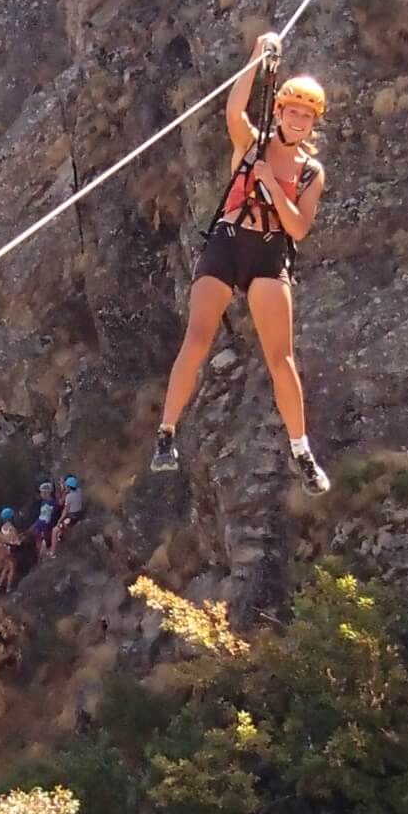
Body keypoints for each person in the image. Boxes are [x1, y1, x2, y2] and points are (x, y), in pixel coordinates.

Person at [150, 30, 331, 495]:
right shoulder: (251, 143)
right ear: (279, 111)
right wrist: (257, 56)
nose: (297, 120)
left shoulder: (312, 172)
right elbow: (233, 110)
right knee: (198, 336)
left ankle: (301, 449)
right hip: (229, 242)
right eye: (292, 111)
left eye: (306, 116)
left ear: (313, 124)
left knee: (280, 357)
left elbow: (299, 228)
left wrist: (272, 185)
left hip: (270, 251)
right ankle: (166, 435)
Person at [51, 475, 84, 554]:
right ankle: (61, 537)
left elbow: (65, 510)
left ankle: (52, 552)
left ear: (68, 486)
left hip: (71, 517)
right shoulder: (79, 491)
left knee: (55, 530)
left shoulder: (69, 496)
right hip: (79, 515)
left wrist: (59, 520)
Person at [29, 481, 61, 555]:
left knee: (37, 532)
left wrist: (35, 526)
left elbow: (46, 519)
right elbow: (41, 516)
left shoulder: (52, 503)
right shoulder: (44, 502)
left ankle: (43, 552)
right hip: (41, 524)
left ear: (47, 493)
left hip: (47, 526)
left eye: (42, 492)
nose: (40, 494)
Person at [0, 507, 23, 592]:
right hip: (9, 550)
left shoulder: (2, 528)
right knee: (12, 568)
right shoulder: (11, 529)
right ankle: (8, 587)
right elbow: (16, 541)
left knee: (6, 567)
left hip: (2, 549)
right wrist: (19, 540)